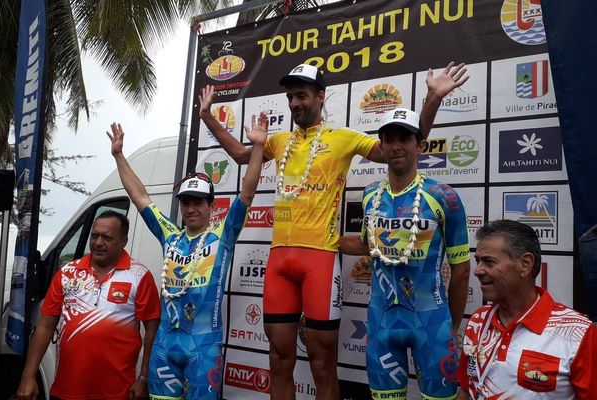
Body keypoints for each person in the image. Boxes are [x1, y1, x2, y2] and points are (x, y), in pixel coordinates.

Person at [199, 62, 468, 400]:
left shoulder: (343, 138)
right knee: (279, 358)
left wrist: (432, 101)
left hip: (321, 261)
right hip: (279, 261)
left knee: (323, 362)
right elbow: (241, 155)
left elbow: (397, 150)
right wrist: (208, 117)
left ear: (320, 96)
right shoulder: (279, 141)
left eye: (302, 95)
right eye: (291, 97)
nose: (295, 103)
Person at [108, 115, 267, 400]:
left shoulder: (223, 235)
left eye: (197, 203)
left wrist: (257, 149)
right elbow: (140, 197)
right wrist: (119, 155)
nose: (190, 209)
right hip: (165, 346)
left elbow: (247, 192)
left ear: (210, 206)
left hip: (203, 347)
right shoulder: (170, 235)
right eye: (185, 203)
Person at [339, 107, 470, 399]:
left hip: (432, 323)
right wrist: (323, 242)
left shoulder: (444, 196)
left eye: (404, 138)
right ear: (381, 147)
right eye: (388, 139)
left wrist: (453, 326)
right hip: (380, 322)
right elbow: (368, 245)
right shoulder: (371, 193)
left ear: (420, 145)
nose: (395, 145)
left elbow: (461, 270)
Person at [17, 211, 161, 400]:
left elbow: (153, 329)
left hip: (117, 392)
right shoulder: (68, 273)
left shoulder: (139, 275)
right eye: (94, 236)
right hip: (66, 390)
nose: (98, 242)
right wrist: (28, 376)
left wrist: (144, 377)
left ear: (123, 241)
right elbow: (45, 326)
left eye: (107, 237)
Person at [457, 220, 597, 399]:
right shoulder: (479, 319)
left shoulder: (579, 332)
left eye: (489, 262)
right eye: (477, 261)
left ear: (525, 264)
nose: (477, 270)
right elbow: (465, 390)